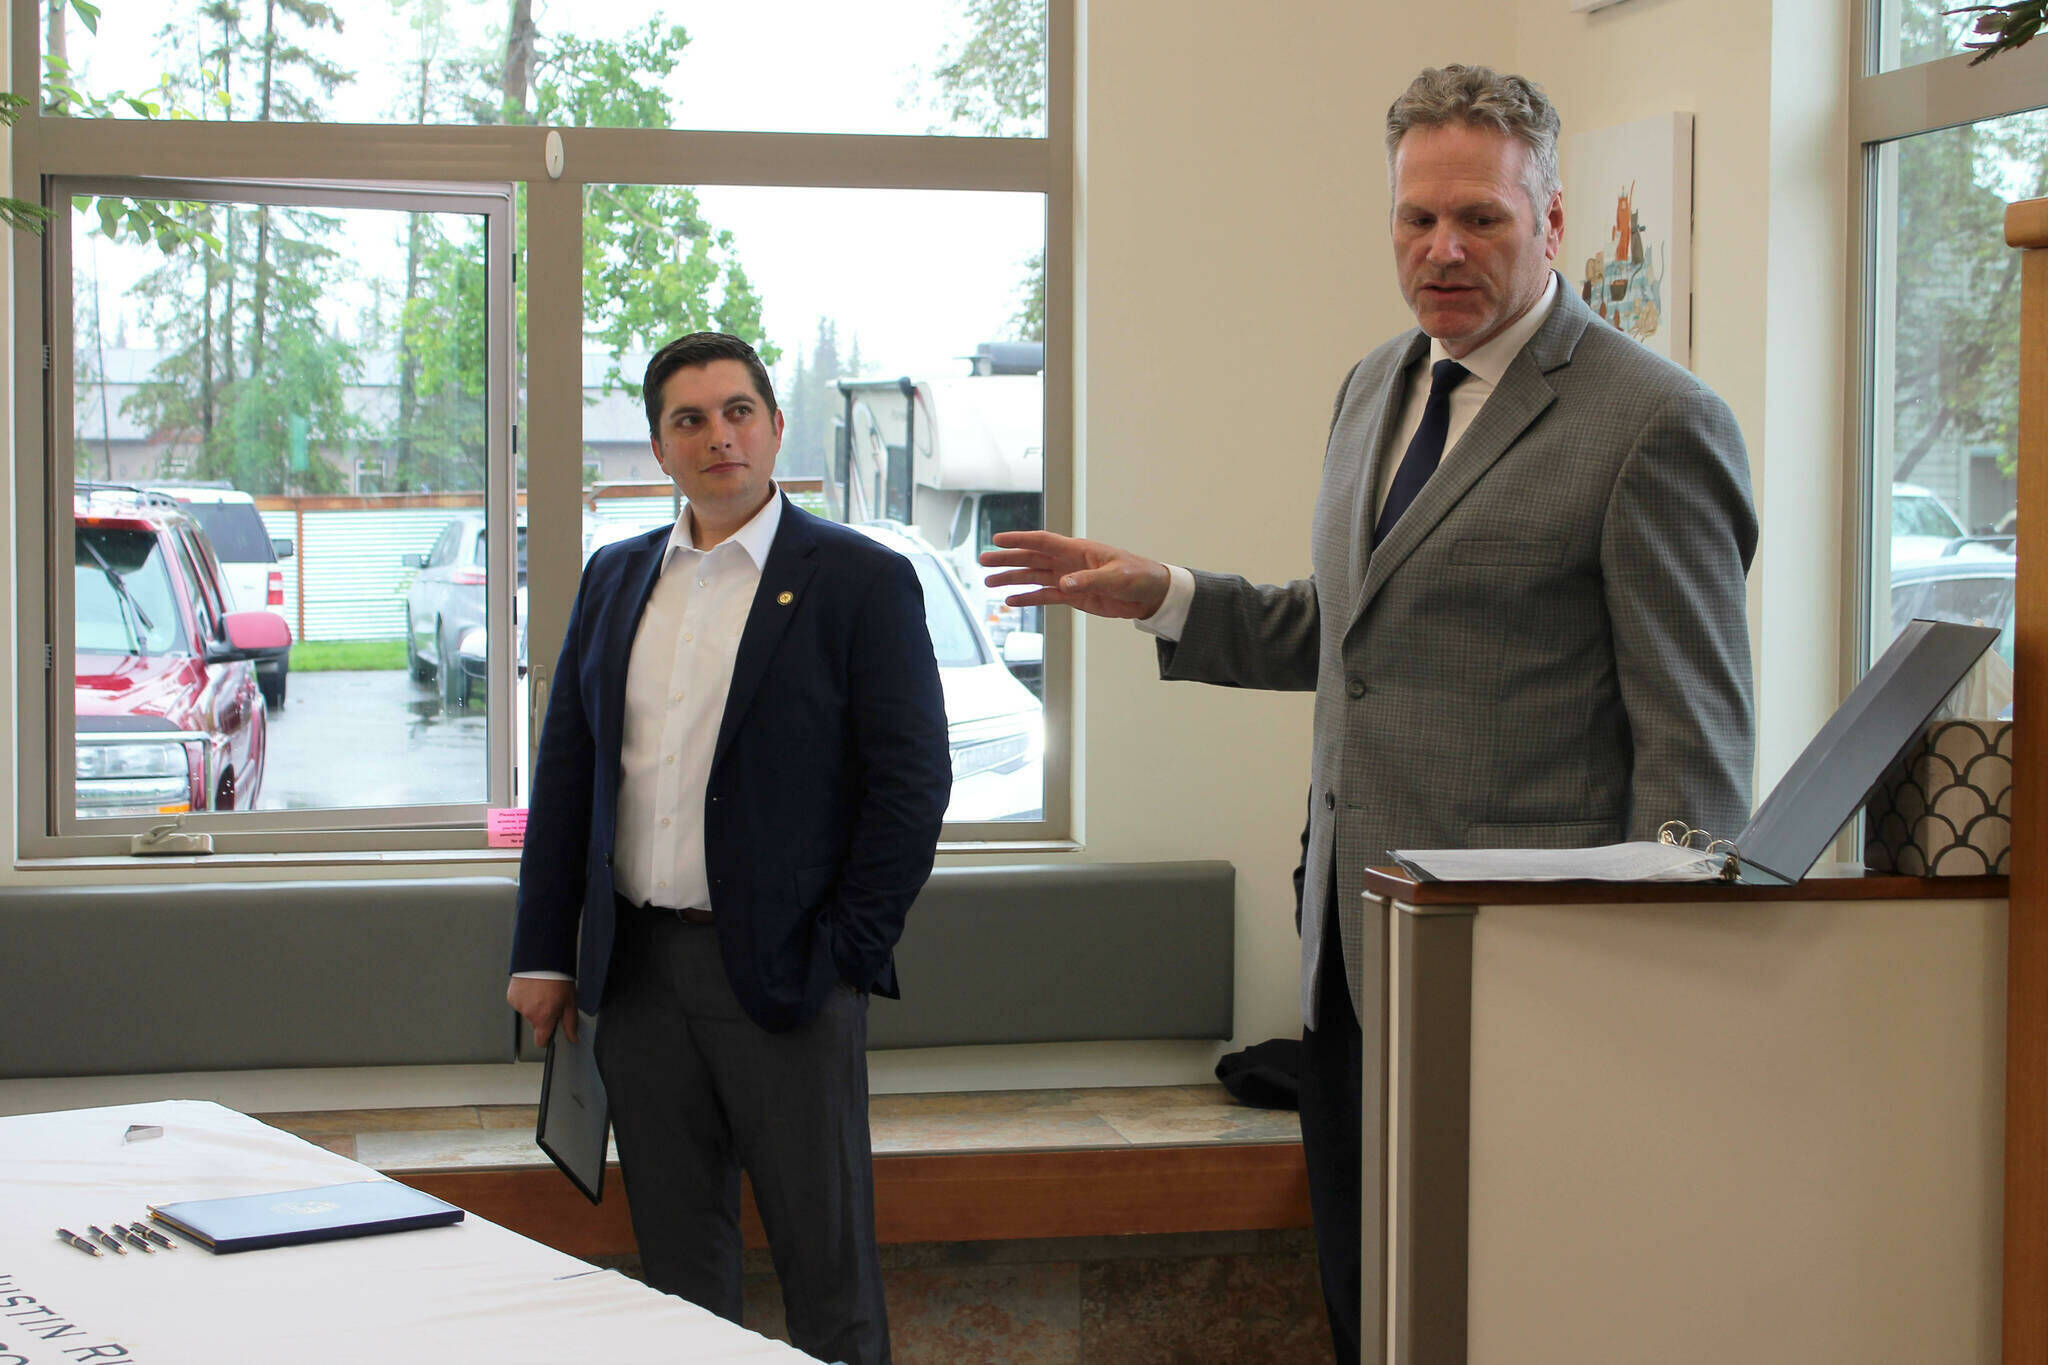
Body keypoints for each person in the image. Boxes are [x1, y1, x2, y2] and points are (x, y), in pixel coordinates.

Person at [982, 65, 1756, 1363]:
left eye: (1482, 219)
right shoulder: (1377, 386)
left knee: (1509, 1315)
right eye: (1415, 218)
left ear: (1553, 223)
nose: (1441, 249)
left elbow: (1696, 759)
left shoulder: (1652, 424)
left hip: (1534, 984)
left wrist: (1656, 999)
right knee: (1368, 1304)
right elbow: (1359, 638)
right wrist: (1164, 596)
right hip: (1350, 948)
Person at [508, 332, 952, 1365]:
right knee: (677, 1274)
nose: (719, 436)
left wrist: (846, 952)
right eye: (689, 420)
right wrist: (545, 952)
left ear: (774, 426)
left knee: (826, 1272)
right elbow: (568, 776)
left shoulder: (856, 581)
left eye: (737, 411)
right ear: (659, 449)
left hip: (788, 975)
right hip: (638, 979)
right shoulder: (617, 579)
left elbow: (910, 786)